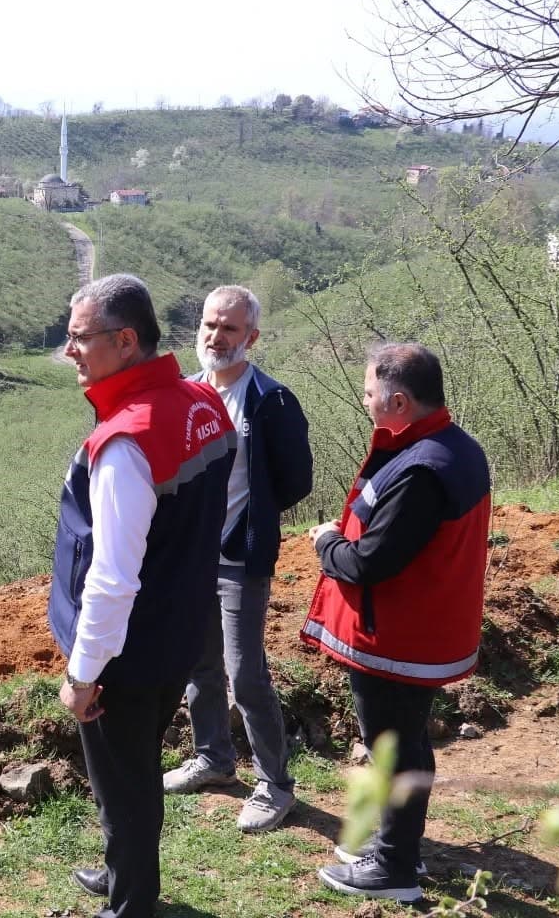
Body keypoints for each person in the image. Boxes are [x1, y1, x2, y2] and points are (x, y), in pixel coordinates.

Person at [49, 273, 235, 918]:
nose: (69, 350)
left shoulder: (126, 441)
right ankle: (119, 871)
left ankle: (130, 905)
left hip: (127, 651)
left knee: (124, 783)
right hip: (182, 627)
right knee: (134, 769)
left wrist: (84, 670)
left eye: (79, 338)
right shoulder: (204, 405)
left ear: (125, 341)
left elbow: (112, 575)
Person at [303, 343, 490, 903]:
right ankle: (394, 846)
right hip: (421, 631)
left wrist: (327, 543)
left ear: (399, 400)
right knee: (404, 741)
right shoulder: (452, 447)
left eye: (367, 391)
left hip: (398, 640)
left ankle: (394, 869)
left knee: (394, 747)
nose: (363, 401)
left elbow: (370, 563)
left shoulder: (421, 470)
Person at [163, 286, 313, 833]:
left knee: (246, 674)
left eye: (229, 328)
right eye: (209, 325)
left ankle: (275, 785)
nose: (215, 337)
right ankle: (214, 759)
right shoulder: (184, 393)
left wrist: (253, 515)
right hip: (190, 554)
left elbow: (296, 479)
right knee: (199, 663)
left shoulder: (270, 400)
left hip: (238, 557)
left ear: (251, 337)